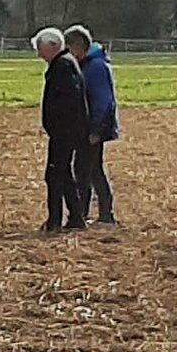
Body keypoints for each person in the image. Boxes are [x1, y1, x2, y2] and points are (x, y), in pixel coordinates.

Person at [36, 27, 89, 234]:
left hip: (64, 132)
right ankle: (76, 217)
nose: (39, 54)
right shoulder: (64, 64)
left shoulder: (63, 66)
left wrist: (58, 126)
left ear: (52, 47)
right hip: (65, 131)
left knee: (55, 174)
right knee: (63, 173)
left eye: (41, 49)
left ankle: (55, 221)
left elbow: (68, 102)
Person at [66, 25, 121, 227]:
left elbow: (103, 101)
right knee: (90, 169)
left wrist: (96, 130)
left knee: (87, 170)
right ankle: (96, 213)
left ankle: (99, 214)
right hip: (89, 126)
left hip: (94, 127)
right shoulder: (89, 64)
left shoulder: (96, 67)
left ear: (78, 47)